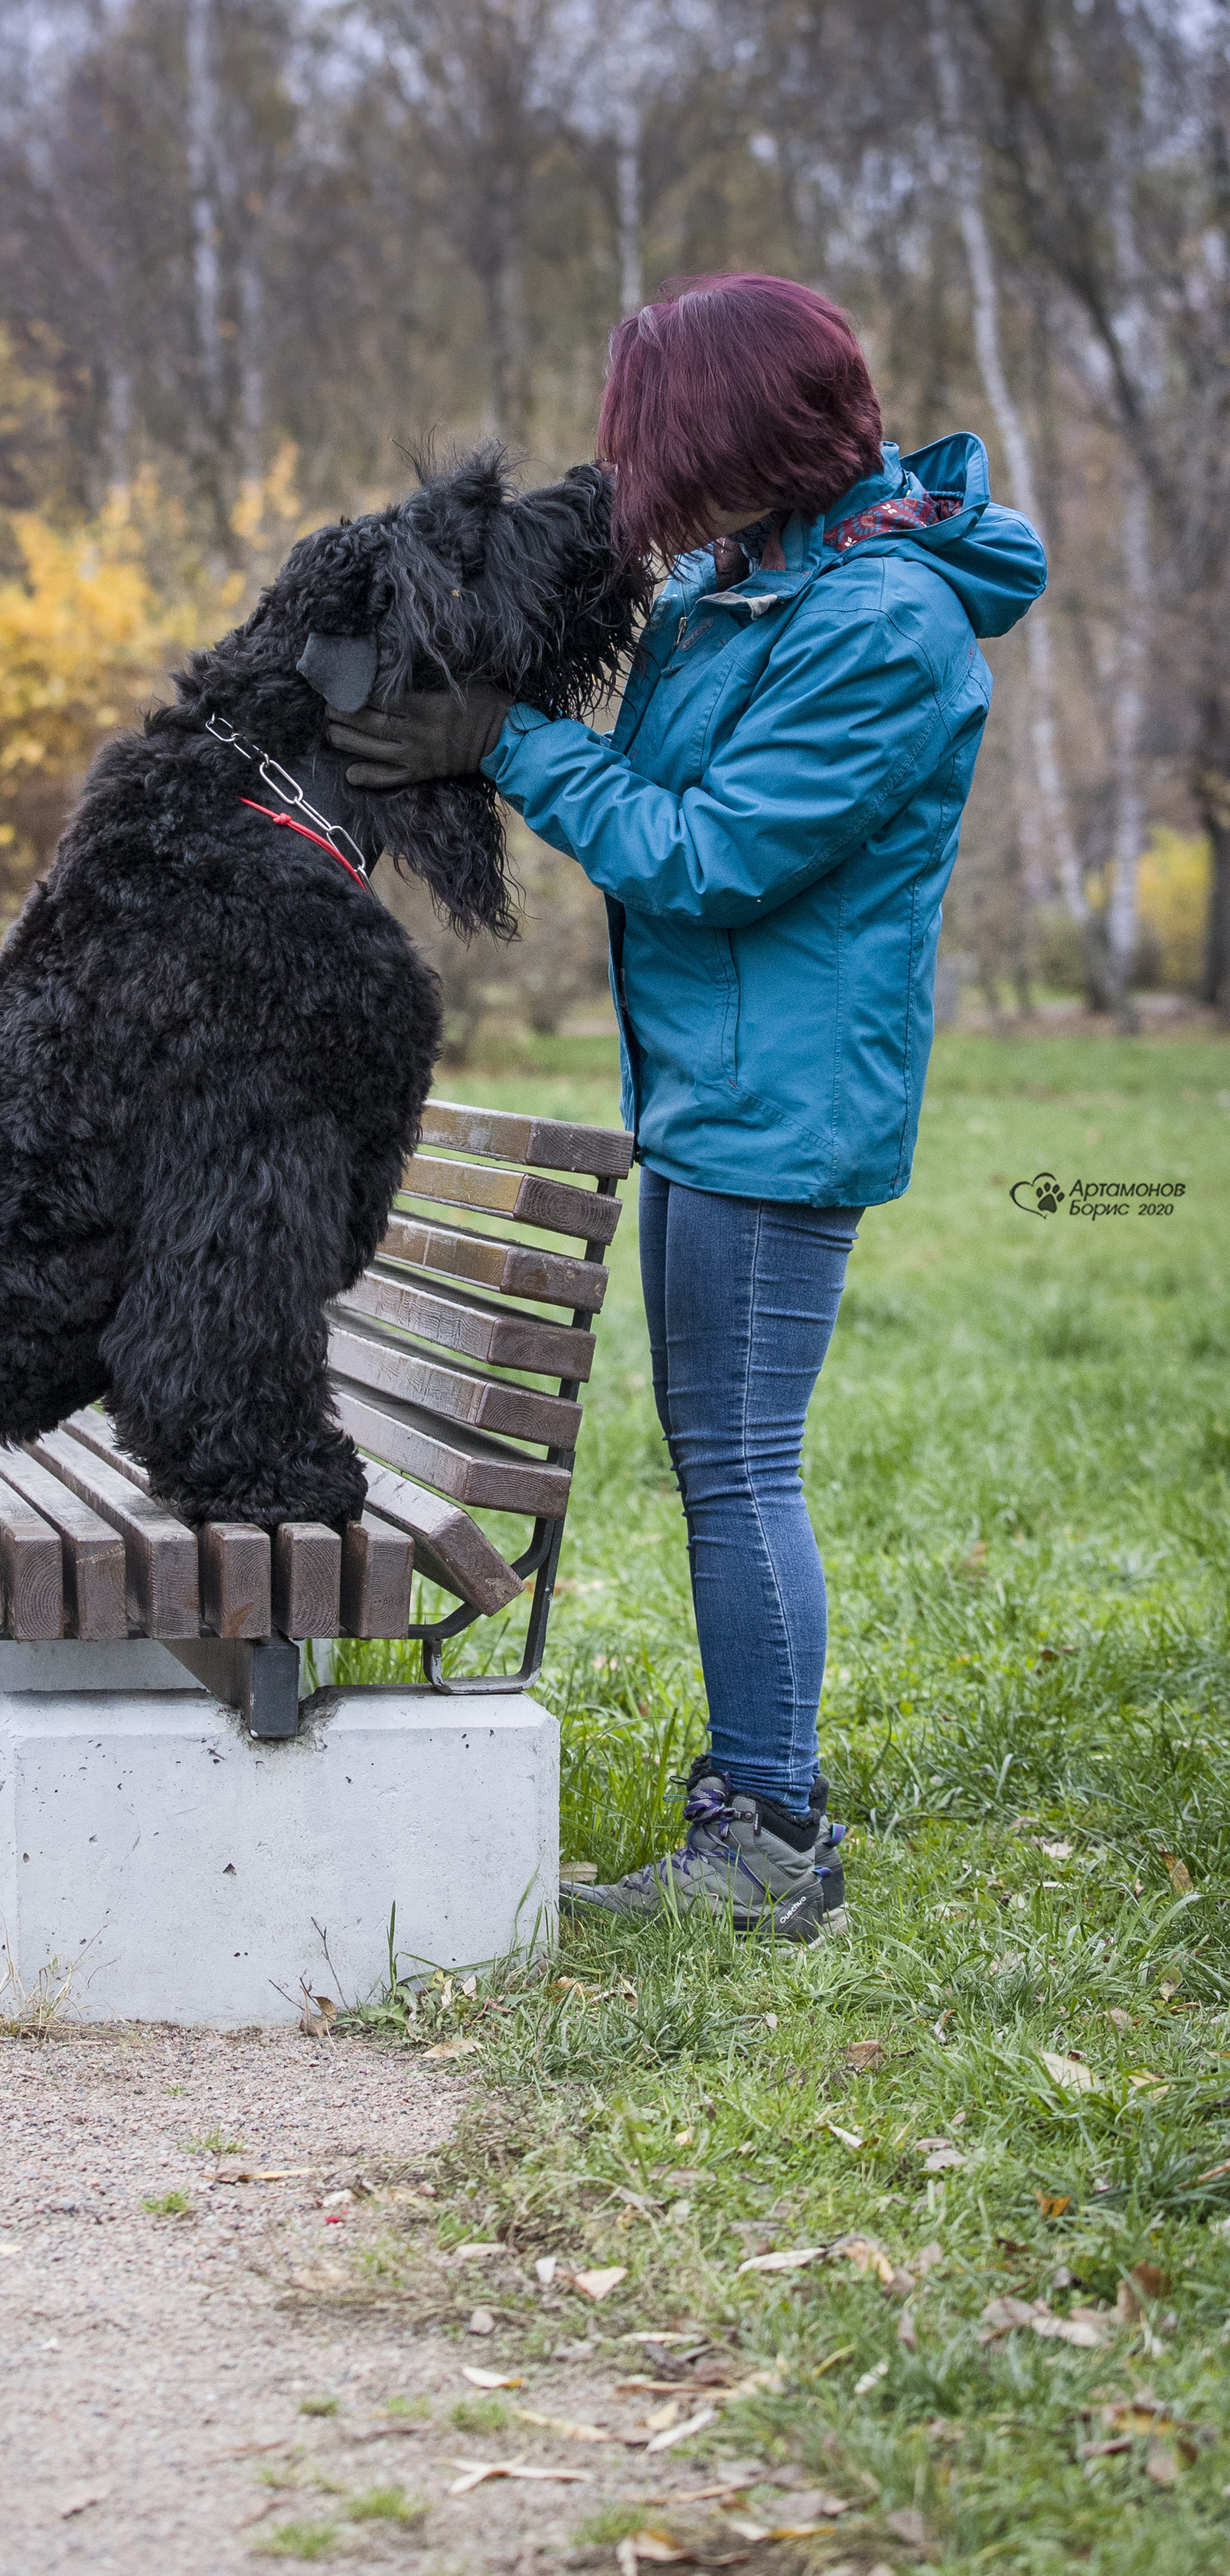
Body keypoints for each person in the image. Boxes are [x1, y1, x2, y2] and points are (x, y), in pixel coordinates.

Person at [329, 273, 1047, 1942]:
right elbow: (660, 791)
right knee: (719, 1453)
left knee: (735, 1463)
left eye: (658, 444)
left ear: (742, 432)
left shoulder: (879, 626)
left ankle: (770, 1836)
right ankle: (758, 1811)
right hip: (720, 1080)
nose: (642, 483)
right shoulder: (754, 582)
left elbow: (706, 855)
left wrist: (507, 744)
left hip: (779, 1101)